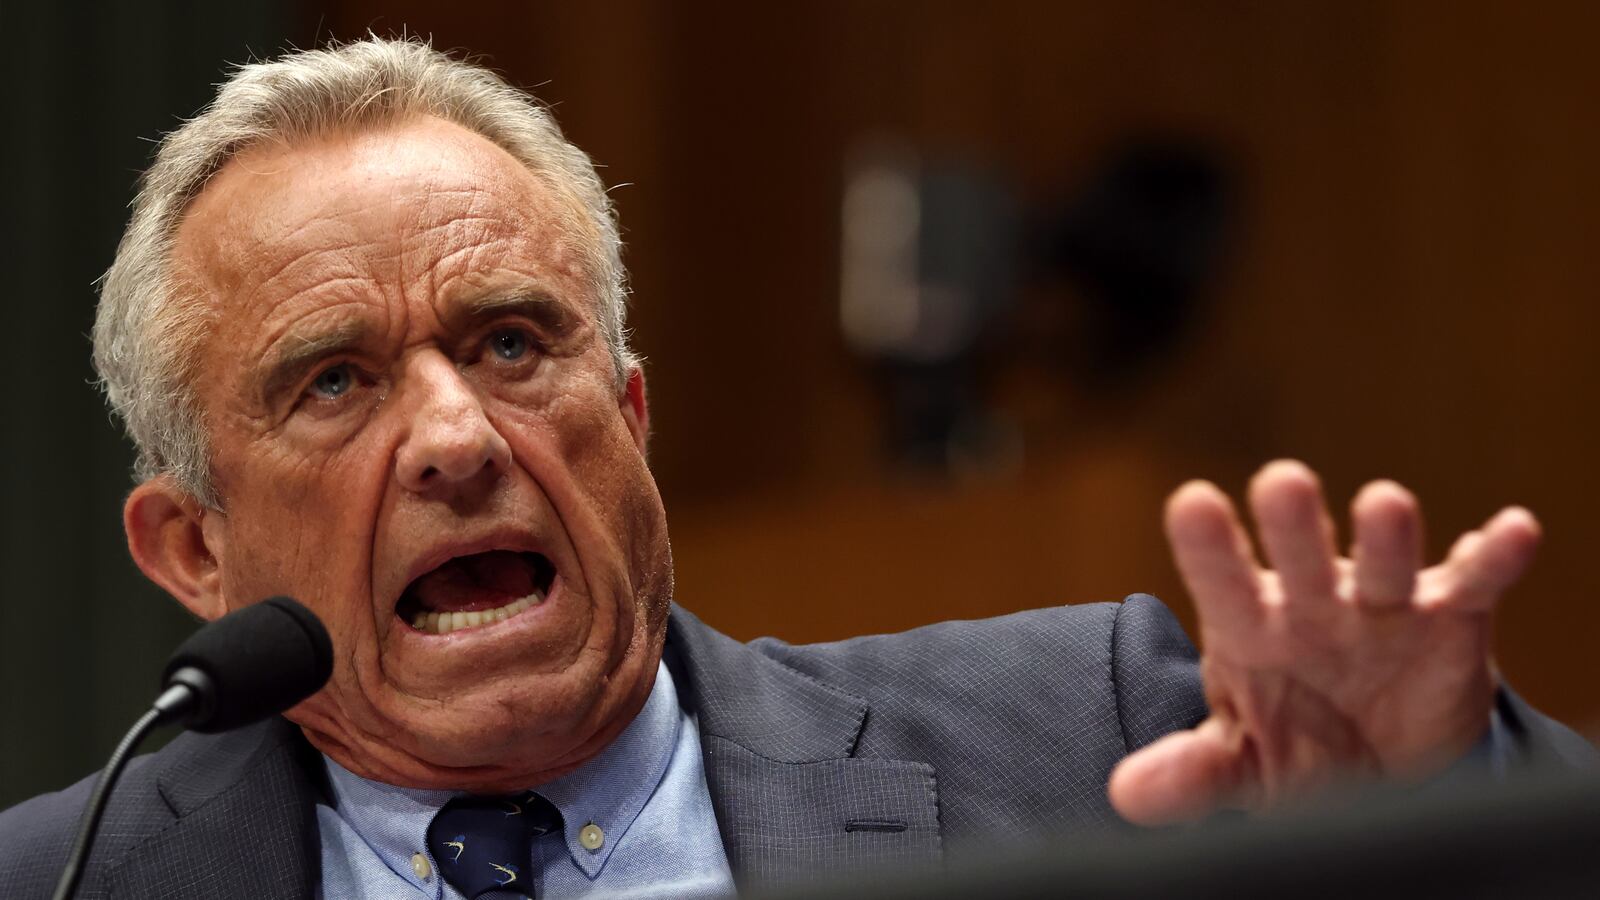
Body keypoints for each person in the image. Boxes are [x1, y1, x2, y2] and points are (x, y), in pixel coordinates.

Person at [0, 37, 1592, 899]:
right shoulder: (59, 881)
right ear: (190, 551)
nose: (461, 440)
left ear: (628, 417)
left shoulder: (1094, 735)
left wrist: (1439, 809)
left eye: (509, 344)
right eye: (335, 382)